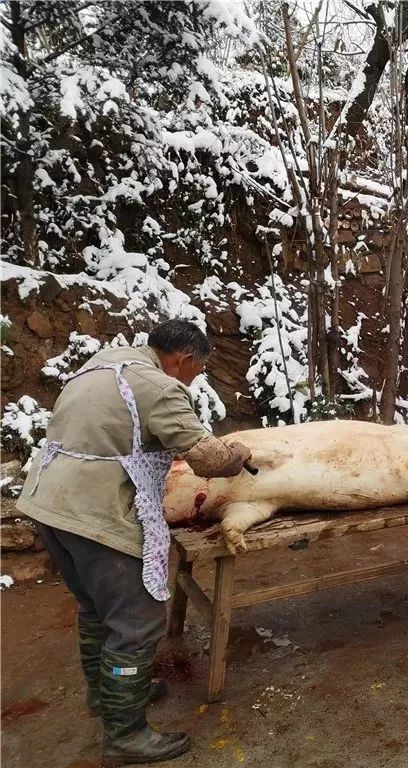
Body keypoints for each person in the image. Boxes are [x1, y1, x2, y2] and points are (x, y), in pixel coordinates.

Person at [16, 319, 253, 766]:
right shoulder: (161, 387)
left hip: (48, 502)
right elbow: (207, 458)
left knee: (95, 609)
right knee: (137, 623)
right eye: (197, 371)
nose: (193, 379)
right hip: (94, 514)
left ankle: (107, 698)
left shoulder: (104, 362)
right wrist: (236, 455)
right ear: (183, 360)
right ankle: (126, 735)